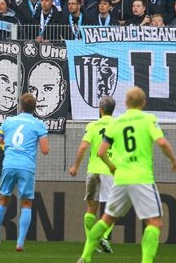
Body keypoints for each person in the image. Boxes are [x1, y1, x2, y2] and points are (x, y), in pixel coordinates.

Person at [77, 87, 176, 263]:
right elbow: (161, 142)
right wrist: (173, 160)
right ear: (144, 102)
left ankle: (85, 256)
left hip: (121, 177)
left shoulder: (117, 123)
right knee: (154, 223)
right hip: (142, 178)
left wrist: (112, 167)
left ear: (125, 103)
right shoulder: (149, 119)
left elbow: (101, 151)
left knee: (105, 219)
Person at [0, 93, 49, 251]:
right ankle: (20, 243)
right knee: (26, 203)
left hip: (9, 164)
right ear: (35, 108)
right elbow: (45, 150)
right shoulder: (38, 124)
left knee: (3, 200)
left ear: (20, 106)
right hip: (26, 166)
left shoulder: (8, 122)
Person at [68, 96, 116, 254]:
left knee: (91, 207)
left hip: (93, 170)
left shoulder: (92, 125)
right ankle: (104, 236)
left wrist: (75, 166)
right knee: (112, 207)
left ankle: (92, 242)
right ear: (113, 109)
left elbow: (83, 147)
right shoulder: (119, 125)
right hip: (111, 170)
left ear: (100, 110)